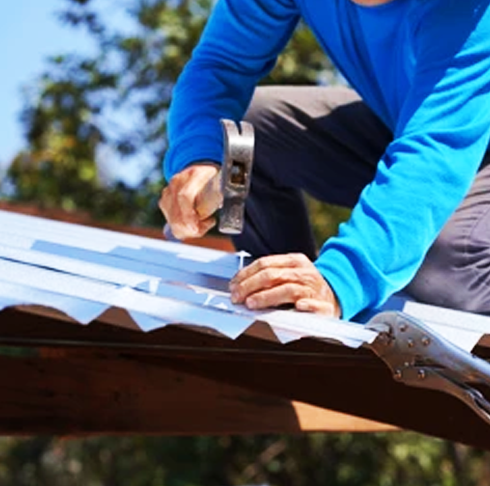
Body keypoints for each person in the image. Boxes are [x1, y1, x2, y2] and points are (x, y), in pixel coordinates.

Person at [159, 0, 490, 321]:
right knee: (240, 138)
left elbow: (435, 153)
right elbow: (221, 64)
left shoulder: (471, 12)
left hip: (459, 142)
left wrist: (342, 277)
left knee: (446, 258)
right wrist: (198, 157)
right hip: (409, 123)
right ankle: (280, 303)